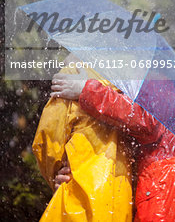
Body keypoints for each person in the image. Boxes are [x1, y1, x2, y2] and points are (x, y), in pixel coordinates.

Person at [51, 72, 175, 221]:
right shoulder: (144, 81)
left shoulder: (156, 78)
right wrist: (77, 174)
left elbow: (146, 119)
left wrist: (87, 90)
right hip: (166, 189)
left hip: (166, 194)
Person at [32, 60, 133, 222]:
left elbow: (48, 139)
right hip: (121, 197)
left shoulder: (73, 71)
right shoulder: (132, 81)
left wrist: (55, 174)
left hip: (78, 194)